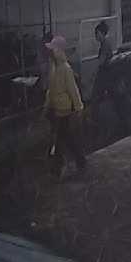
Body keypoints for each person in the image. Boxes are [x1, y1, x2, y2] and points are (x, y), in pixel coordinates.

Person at [42, 35, 87, 178]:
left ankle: (57, 169)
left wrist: (79, 107)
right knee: (66, 138)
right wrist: (47, 105)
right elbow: (50, 89)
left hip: (65, 109)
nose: (51, 52)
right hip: (57, 108)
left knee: (61, 139)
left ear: (60, 51)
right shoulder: (54, 67)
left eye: (53, 49)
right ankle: (80, 161)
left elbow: (73, 89)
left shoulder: (66, 69)